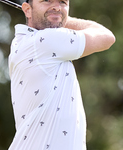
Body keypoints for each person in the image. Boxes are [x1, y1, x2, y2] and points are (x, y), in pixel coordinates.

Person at [8, 0, 116, 149]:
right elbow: (106, 37)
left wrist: (54, 15)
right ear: (27, 10)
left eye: (62, 2)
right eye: (47, 0)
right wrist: (64, 18)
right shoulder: (44, 41)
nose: (56, 6)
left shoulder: (22, 42)